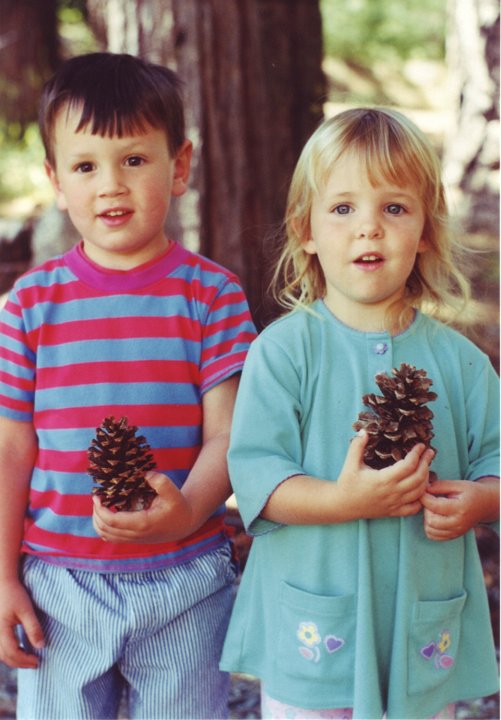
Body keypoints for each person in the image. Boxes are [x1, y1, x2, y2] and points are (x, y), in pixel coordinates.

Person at [220, 107, 499, 719]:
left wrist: (482, 500)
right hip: (316, 629)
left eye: (394, 208)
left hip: (420, 624)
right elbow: (256, 476)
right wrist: (342, 501)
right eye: (343, 208)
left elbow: (497, 456)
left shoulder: (460, 361)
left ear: (426, 229)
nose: (368, 228)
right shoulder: (283, 351)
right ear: (307, 230)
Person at [0, 52, 256, 719]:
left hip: (187, 579)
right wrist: (3, 578)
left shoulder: (212, 296)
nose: (111, 185)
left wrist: (189, 511)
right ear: (56, 181)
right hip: (59, 581)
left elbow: (228, 434)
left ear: (179, 167)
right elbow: (10, 449)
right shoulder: (27, 306)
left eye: (134, 160)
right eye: (86, 166)